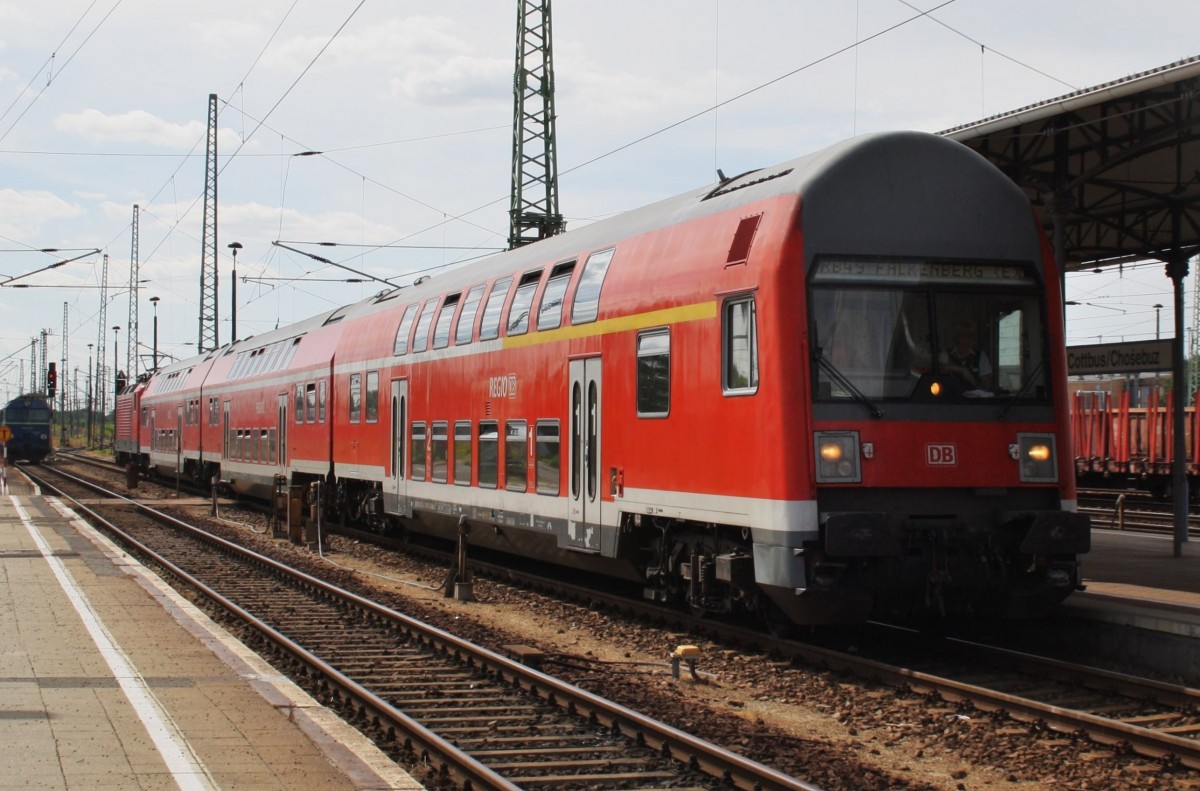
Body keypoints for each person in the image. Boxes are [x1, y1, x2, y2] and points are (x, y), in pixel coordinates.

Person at [940, 321, 993, 391]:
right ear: (956, 337)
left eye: (970, 335)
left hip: (973, 399)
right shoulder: (946, 354)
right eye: (963, 335)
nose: (966, 339)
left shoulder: (980, 355)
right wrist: (962, 370)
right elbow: (938, 367)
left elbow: (986, 381)